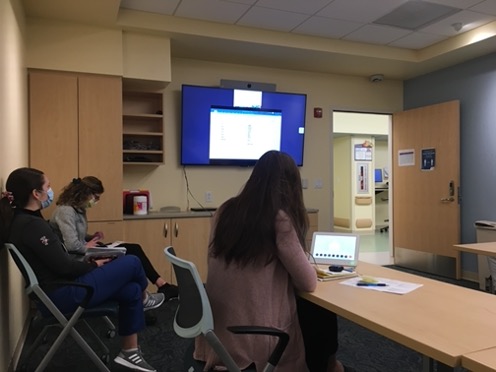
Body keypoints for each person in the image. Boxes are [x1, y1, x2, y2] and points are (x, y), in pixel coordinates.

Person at [193, 150, 346, 372]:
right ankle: (329, 367)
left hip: (219, 331)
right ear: (291, 185)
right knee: (319, 310)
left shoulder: (224, 210)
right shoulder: (278, 219)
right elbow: (308, 282)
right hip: (256, 336)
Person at [0, 167, 163, 372]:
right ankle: (145, 297)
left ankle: (129, 353)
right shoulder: (30, 225)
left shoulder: (27, 220)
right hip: (64, 293)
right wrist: (94, 265)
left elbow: (59, 259)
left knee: (130, 288)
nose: (51, 191)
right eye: (47, 187)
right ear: (36, 194)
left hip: (63, 288)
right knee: (132, 261)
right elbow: (64, 266)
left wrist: (94, 262)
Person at [49, 176, 178, 301]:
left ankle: (155, 290)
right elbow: (72, 245)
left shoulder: (78, 209)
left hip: (86, 251)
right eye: (96, 197)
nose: (96, 201)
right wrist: (87, 246)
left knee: (132, 249)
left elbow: (76, 235)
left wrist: (92, 236)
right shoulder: (66, 211)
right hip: (79, 257)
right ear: (85, 193)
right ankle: (157, 289)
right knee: (132, 252)